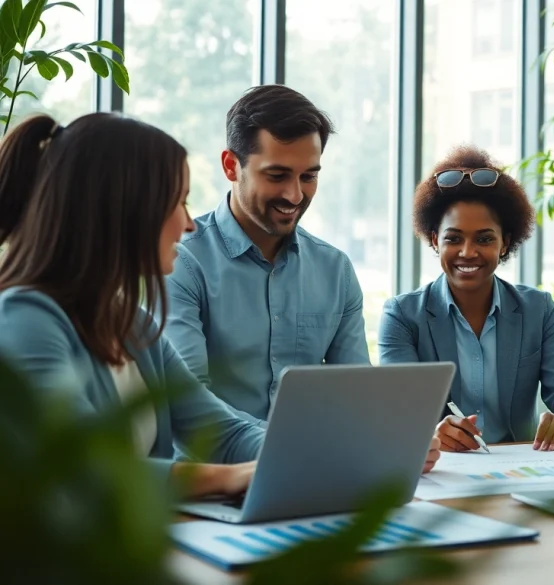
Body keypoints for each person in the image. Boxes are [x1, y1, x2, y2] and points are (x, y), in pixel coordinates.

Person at [0, 113, 263, 497]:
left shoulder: (134, 327)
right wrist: (228, 477)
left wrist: (306, 458)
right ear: (124, 210)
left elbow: (224, 433)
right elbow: (79, 464)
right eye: (179, 202)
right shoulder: (25, 320)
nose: (189, 224)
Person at [163, 86, 371, 423]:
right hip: (217, 471)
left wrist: (395, 438)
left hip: (312, 467)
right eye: (277, 176)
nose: (294, 195)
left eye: (309, 176)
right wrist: (289, 450)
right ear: (231, 166)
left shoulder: (335, 270)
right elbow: (188, 406)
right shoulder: (181, 263)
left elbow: (357, 396)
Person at [378, 145, 554, 452]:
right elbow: (398, 409)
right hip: (441, 468)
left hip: (520, 465)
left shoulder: (539, 310)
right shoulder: (402, 316)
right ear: (434, 241)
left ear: (505, 243)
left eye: (484, 239)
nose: (468, 252)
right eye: (453, 239)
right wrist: (433, 430)